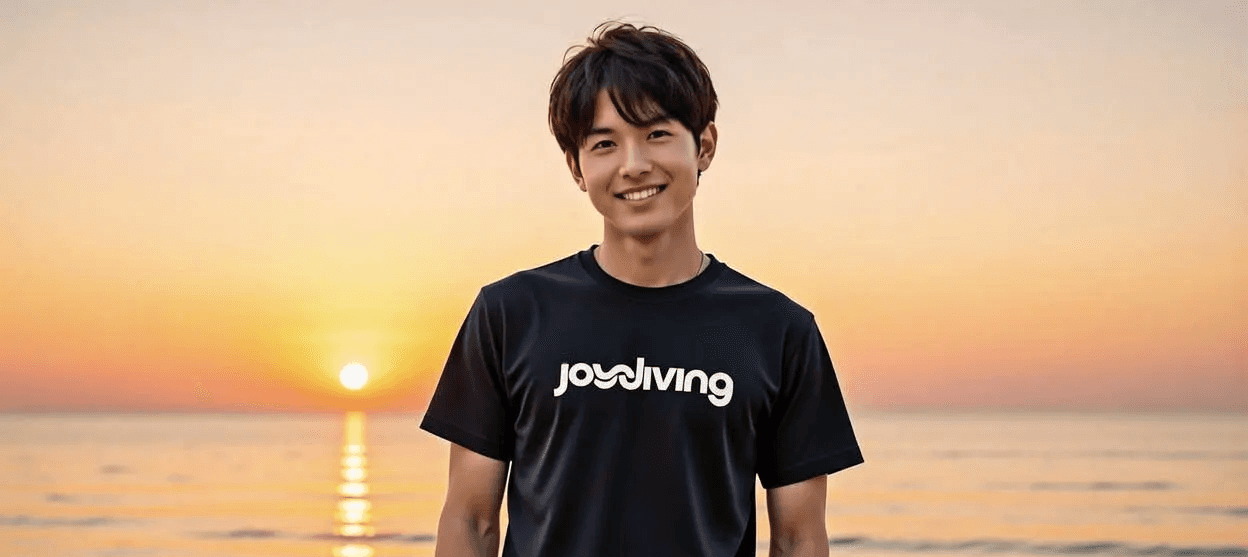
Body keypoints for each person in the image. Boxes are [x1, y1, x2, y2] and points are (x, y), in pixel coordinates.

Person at [420, 21, 863, 557]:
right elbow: (470, 521)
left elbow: (798, 539)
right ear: (577, 167)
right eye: (604, 143)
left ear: (704, 147)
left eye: (656, 134)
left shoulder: (781, 331)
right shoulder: (510, 313)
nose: (633, 166)